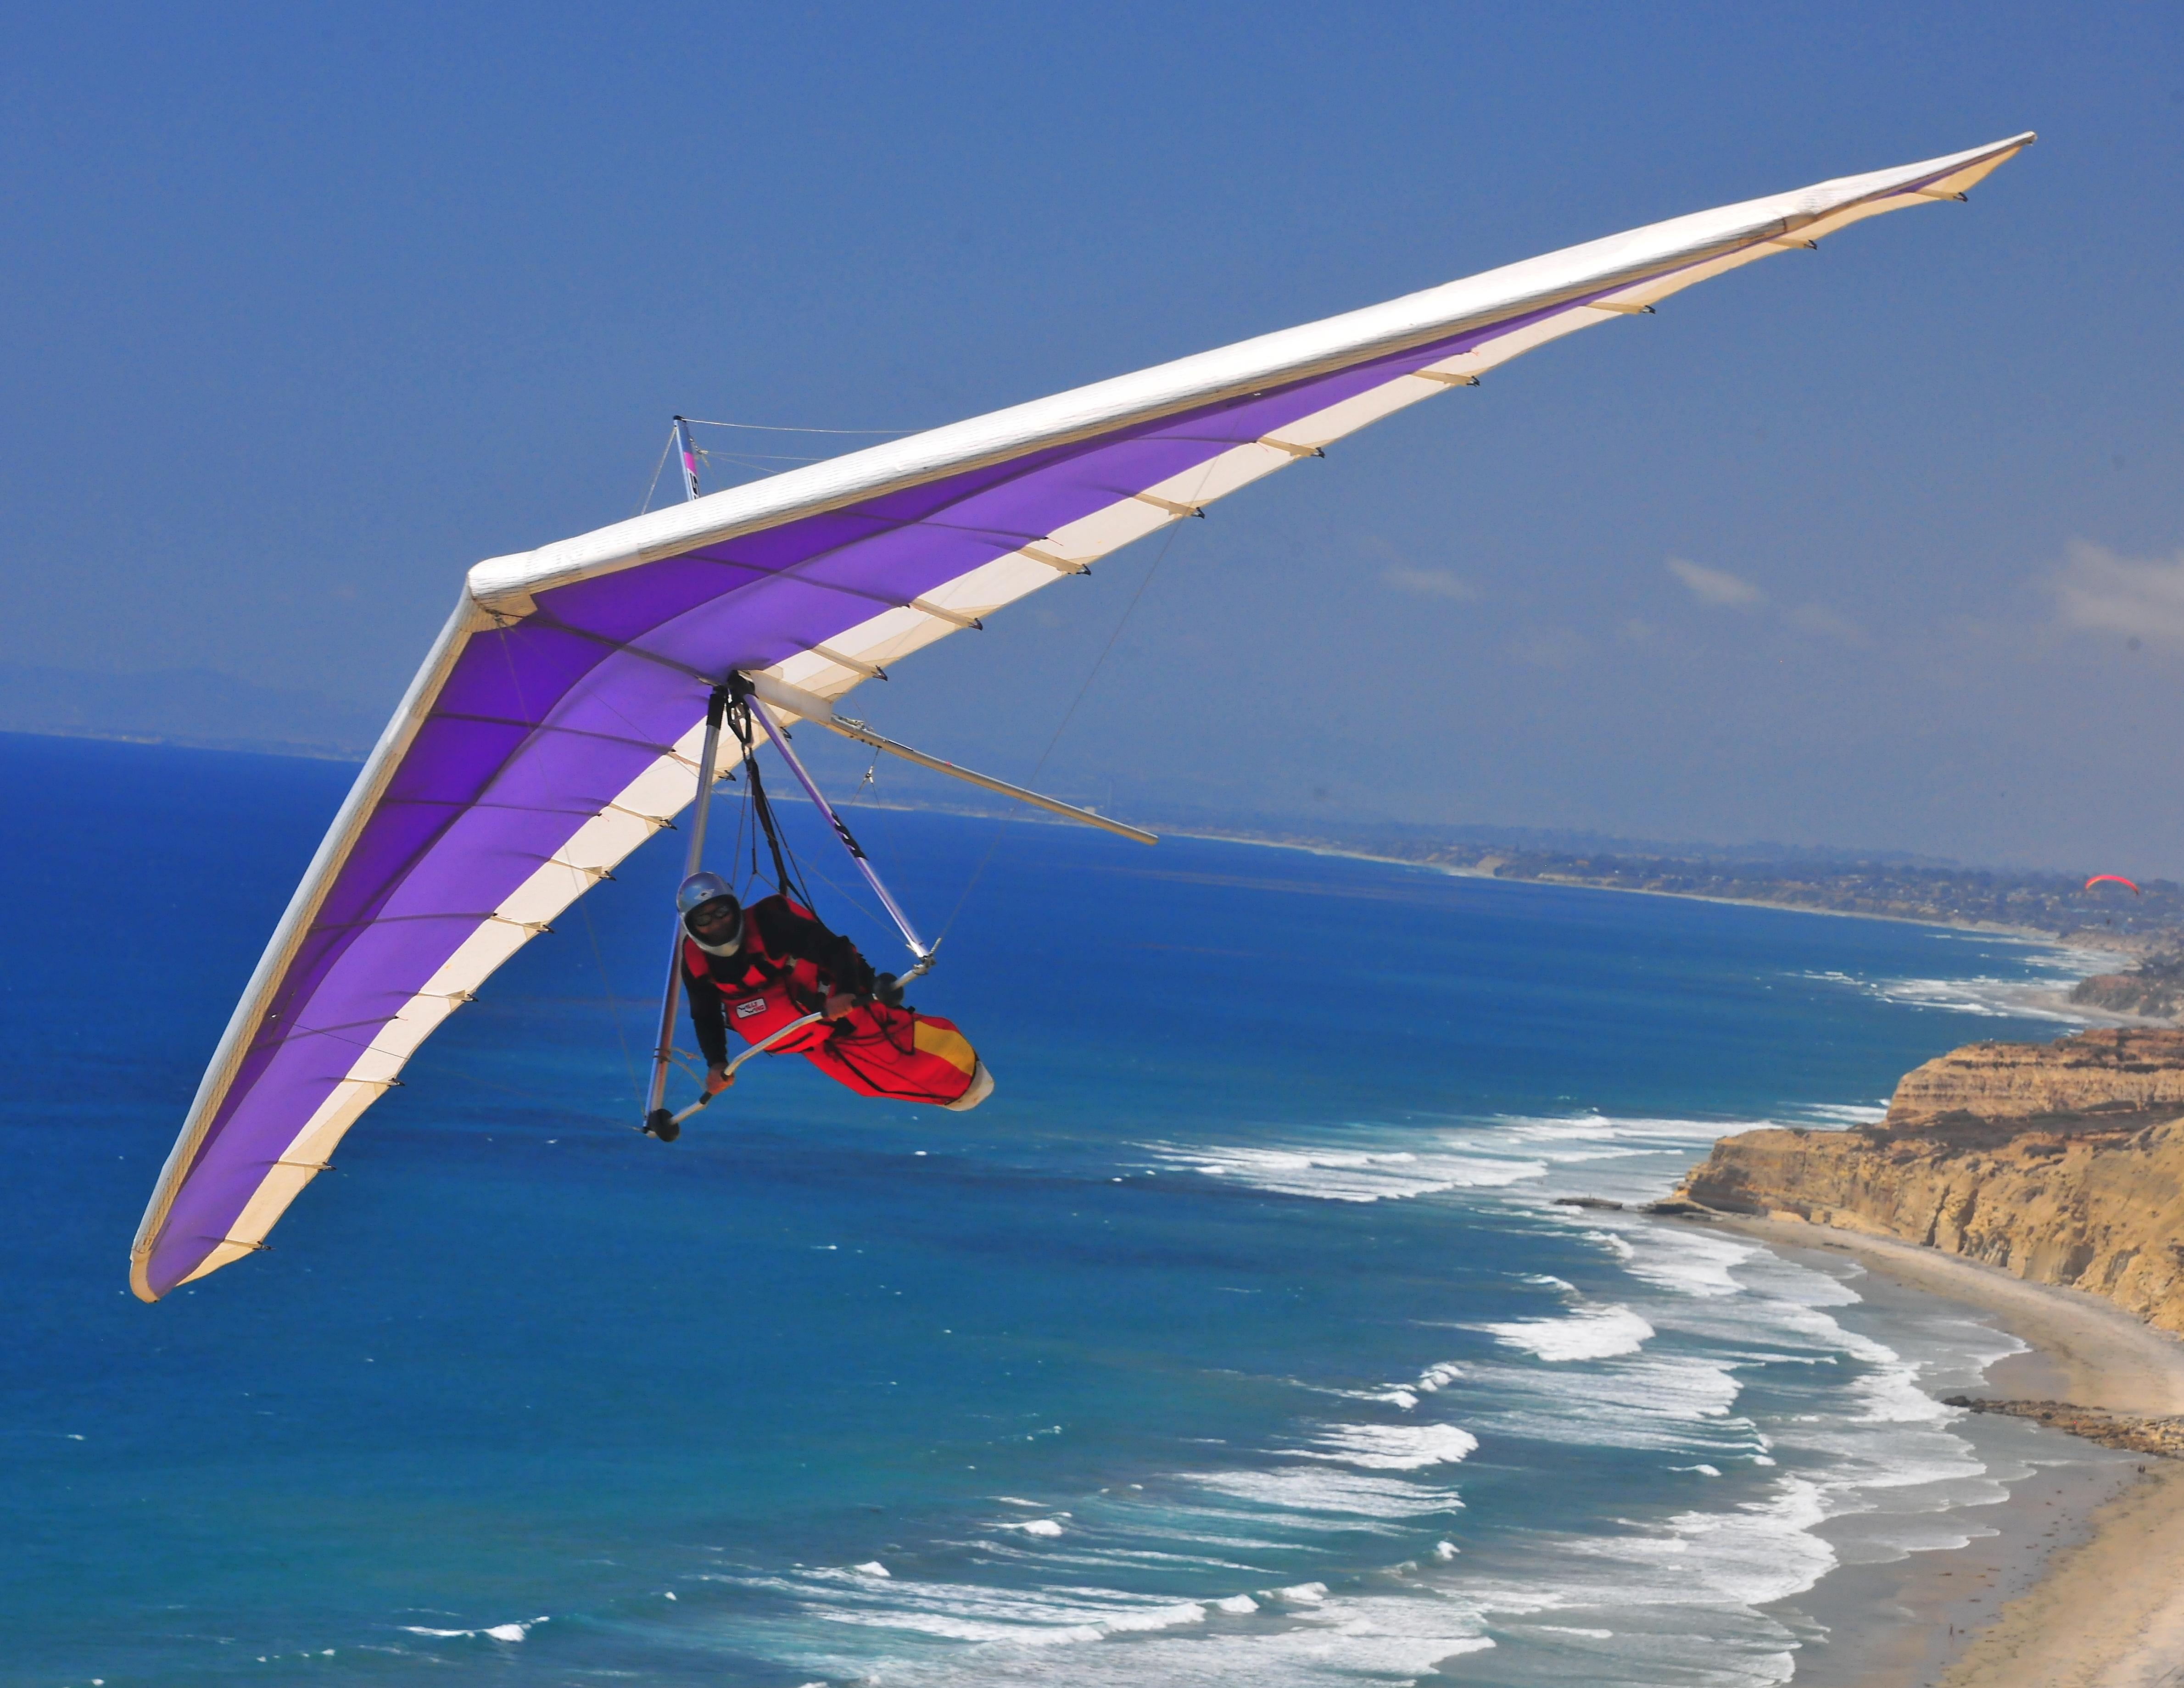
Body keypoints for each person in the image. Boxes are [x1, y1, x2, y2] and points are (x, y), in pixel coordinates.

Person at [675, 872, 993, 1111]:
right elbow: (704, 1014)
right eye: (704, 918)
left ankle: (968, 1076)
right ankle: (958, 1092)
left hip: (845, 1013)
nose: (716, 923)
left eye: (722, 912)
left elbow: (836, 949)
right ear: (691, 925)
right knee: (868, 1084)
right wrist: (716, 1062)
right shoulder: (695, 960)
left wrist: (844, 992)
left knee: (907, 1057)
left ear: (734, 907)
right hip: (806, 1037)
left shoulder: (771, 925)